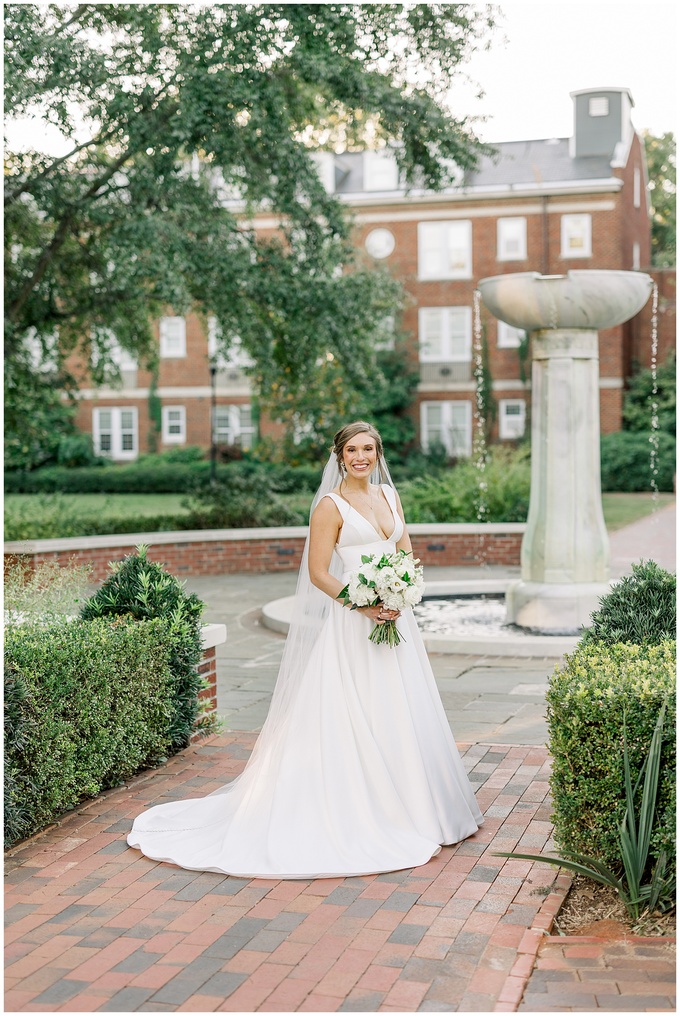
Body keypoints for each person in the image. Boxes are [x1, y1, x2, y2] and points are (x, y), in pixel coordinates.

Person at [127, 421, 483, 877]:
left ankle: (418, 807)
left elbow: (404, 553)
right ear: (339, 455)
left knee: (403, 706)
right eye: (352, 450)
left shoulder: (390, 497)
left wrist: (402, 591)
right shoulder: (330, 506)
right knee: (354, 709)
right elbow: (319, 573)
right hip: (354, 623)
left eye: (368, 449)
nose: (361, 457)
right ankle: (365, 811)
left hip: (396, 621)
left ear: (378, 453)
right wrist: (365, 604)